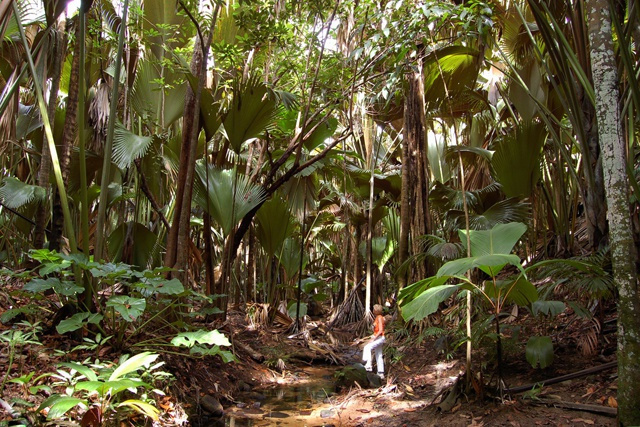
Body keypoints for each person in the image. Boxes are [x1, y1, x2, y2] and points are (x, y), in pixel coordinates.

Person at [362, 304, 386, 378]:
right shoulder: (378, 318)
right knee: (378, 354)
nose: (373, 310)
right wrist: (371, 336)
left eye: (374, 309)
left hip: (380, 338)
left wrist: (373, 339)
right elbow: (377, 331)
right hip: (378, 337)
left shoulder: (379, 318)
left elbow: (381, 330)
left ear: (376, 310)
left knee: (367, 347)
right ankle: (380, 372)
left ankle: (368, 365)